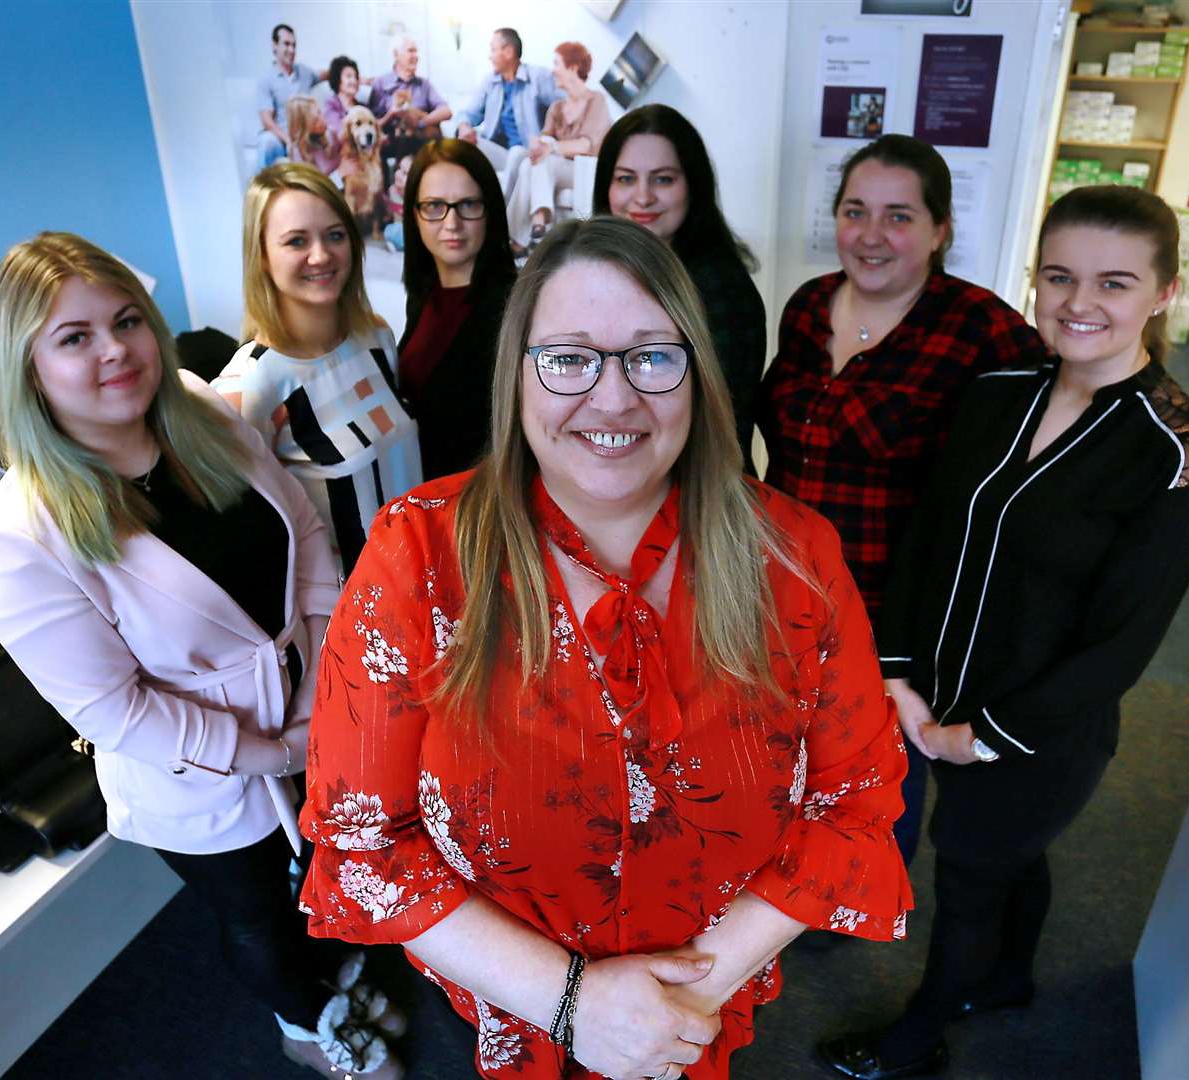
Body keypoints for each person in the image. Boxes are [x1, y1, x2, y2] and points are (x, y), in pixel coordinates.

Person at [298, 217, 912, 1080]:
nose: (615, 398)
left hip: (699, 1008)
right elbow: (364, 844)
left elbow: (853, 805)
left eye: (653, 356)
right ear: (517, 376)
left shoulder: (795, 558)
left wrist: (681, 1001)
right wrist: (573, 1003)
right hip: (500, 1009)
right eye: (570, 358)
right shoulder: (420, 557)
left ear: (698, 374)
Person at [0, 232, 404, 1079]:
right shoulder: (21, 534)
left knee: (317, 871)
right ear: (27, 368)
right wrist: (270, 751)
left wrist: (323, 674)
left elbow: (305, 534)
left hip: (308, 702)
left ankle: (329, 976)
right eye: (75, 337)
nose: (116, 350)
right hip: (197, 764)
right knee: (253, 913)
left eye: (127, 320)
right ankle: (304, 1023)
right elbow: (114, 708)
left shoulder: (196, 408)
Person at [820, 185, 1189, 1080]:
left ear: (1164, 293)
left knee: (967, 871)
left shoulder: (1173, 454)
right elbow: (929, 535)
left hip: (1041, 728)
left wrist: (988, 736)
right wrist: (896, 671)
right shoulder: (999, 390)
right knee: (1008, 859)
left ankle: (919, 1035)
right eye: (1059, 277)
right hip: (936, 692)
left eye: (1114, 283)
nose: (1081, 304)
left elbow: (1123, 643)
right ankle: (1005, 979)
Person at [755, 135, 1051, 866]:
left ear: (939, 231)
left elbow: (1060, 422)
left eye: (899, 216)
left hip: (895, 607)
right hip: (784, 582)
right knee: (784, 746)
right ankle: (783, 870)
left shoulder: (980, 328)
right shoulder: (808, 305)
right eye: (856, 212)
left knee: (880, 762)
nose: (873, 235)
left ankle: (859, 887)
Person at [213, 163, 422, 578]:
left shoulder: (375, 337)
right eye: (296, 241)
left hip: (424, 582)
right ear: (262, 257)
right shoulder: (251, 385)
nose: (321, 255)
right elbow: (253, 539)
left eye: (335, 235)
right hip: (348, 616)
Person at [593, 106, 765, 472]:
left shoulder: (721, 290)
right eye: (625, 179)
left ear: (693, 186)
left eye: (663, 179)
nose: (642, 197)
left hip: (699, 496)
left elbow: (713, 425)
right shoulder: (596, 277)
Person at [396, 139, 517, 479]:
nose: (452, 223)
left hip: (479, 510)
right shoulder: (423, 296)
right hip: (423, 501)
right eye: (434, 206)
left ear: (489, 210)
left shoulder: (516, 305)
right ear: (414, 215)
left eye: (468, 204)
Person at [504, 41, 610, 253]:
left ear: (573, 67)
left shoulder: (596, 101)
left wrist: (551, 148)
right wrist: (537, 143)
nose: (553, 70)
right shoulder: (557, 107)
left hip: (582, 170)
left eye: (557, 64)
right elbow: (545, 138)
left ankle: (526, 231)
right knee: (528, 164)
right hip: (554, 167)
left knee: (545, 162)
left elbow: (586, 144)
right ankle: (532, 229)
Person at [457, 28, 563, 196]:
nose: (489, 56)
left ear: (508, 52)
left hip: (527, 154)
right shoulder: (490, 81)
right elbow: (469, 113)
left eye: (493, 49)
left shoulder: (538, 77)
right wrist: (464, 126)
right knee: (461, 146)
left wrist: (549, 140)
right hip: (500, 153)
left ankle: (501, 217)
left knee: (515, 153)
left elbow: (566, 106)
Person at [371, 35, 451, 174]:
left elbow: (446, 111)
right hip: (393, 144)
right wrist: (391, 115)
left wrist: (422, 122)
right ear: (396, 55)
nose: (416, 56)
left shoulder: (423, 85)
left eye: (416, 51)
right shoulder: (381, 83)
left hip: (421, 142)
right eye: (411, 51)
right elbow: (371, 124)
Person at [256, 23, 323, 170]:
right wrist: (288, 141)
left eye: (294, 45)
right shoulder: (267, 79)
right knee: (267, 142)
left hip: (305, 136)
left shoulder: (304, 72)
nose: (291, 50)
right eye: (286, 44)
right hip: (281, 138)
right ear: (274, 45)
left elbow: (326, 74)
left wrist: (362, 79)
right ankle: (259, 189)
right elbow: (266, 120)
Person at [324, 54, 373, 143]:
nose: (354, 81)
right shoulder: (330, 105)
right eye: (349, 76)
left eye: (356, 77)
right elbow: (339, 133)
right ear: (337, 79)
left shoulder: (363, 107)